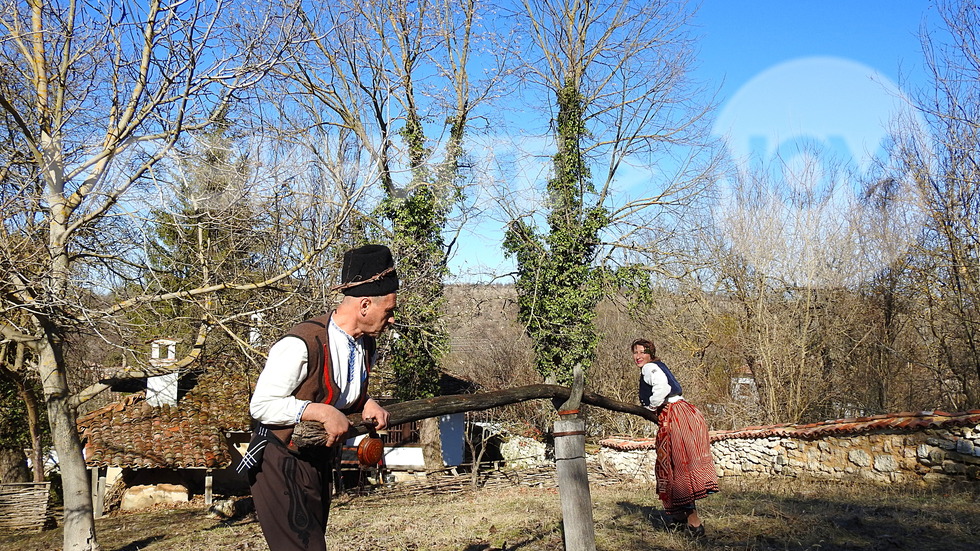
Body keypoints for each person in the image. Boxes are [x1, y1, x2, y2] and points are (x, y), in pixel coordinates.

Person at [240, 244, 398, 551]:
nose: (391, 319)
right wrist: (320, 412)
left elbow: (341, 395)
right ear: (364, 305)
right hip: (279, 459)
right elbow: (262, 405)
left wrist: (366, 401)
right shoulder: (301, 343)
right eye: (388, 311)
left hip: (318, 461)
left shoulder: (366, 347)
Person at [632, 338, 718, 538]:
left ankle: (694, 524)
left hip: (675, 416)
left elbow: (661, 388)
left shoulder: (649, 368)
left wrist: (651, 406)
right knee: (673, 465)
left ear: (650, 354)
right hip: (686, 413)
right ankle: (679, 518)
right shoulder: (658, 366)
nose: (638, 356)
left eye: (642, 352)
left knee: (677, 468)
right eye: (635, 353)